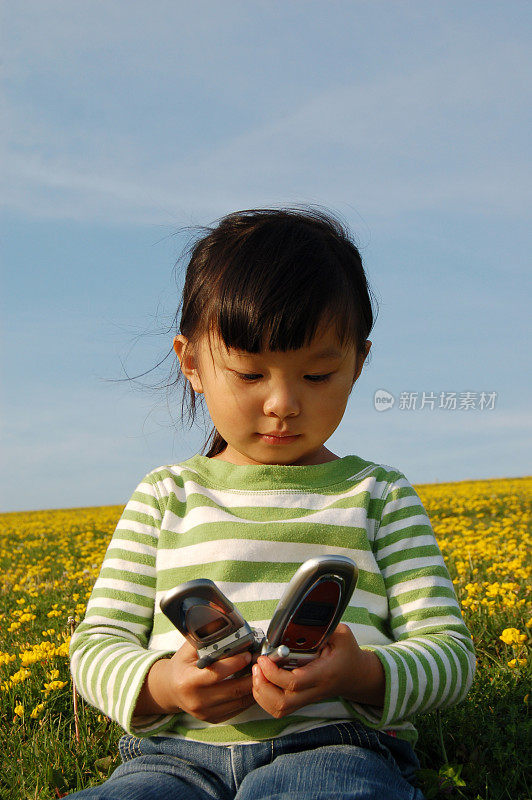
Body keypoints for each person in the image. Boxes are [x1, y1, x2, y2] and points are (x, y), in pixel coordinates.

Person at [67, 208, 475, 799]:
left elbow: (451, 654)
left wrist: (363, 674)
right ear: (193, 364)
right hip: (171, 760)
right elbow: (97, 643)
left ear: (358, 364)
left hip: (335, 747)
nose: (282, 402)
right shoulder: (166, 495)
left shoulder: (379, 494)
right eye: (250, 372)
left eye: (317, 375)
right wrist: (163, 685)